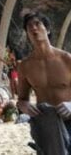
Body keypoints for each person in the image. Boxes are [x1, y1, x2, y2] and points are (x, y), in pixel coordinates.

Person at [17, 11, 71, 155]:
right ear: (27, 33)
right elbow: (22, 100)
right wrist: (25, 107)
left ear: (47, 29)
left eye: (37, 24)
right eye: (29, 26)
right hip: (46, 124)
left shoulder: (66, 59)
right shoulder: (25, 66)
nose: (33, 28)